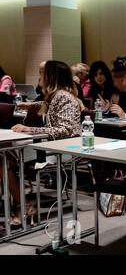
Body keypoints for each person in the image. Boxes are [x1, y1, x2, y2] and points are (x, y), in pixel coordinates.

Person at [6, 61, 83, 225]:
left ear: (51, 76)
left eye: (42, 73)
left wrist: (29, 129)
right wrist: (31, 105)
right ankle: (20, 204)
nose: (39, 76)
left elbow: (65, 130)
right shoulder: (55, 96)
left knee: (4, 158)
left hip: (61, 149)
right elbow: (47, 105)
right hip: (48, 145)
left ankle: (22, 206)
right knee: (4, 157)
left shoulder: (64, 97)